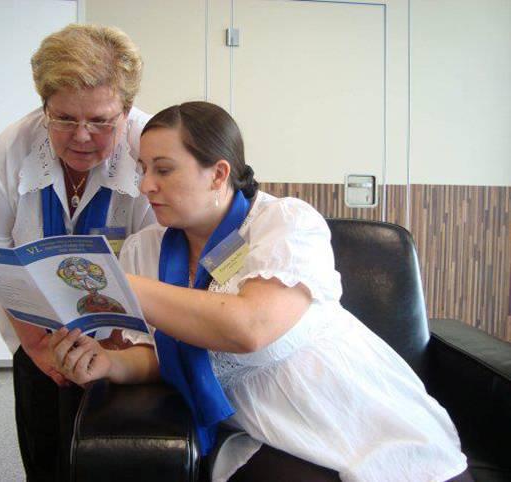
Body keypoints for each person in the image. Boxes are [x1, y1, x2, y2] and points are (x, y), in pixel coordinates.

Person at [49, 101, 470, 482]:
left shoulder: (284, 223)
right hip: (263, 427)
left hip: (348, 406)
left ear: (218, 174)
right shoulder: (145, 249)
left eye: (163, 169)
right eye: (143, 169)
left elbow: (249, 328)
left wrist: (122, 286)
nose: (145, 186)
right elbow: (163, 356)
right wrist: (109, 364)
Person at [0, 24, 155, 481]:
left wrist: (116, 351)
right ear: (45, 106)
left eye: (100, 120)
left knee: (110, 460)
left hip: (126, 334)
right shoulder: (10, 150)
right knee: (43, 452)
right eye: (63, 118)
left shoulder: (149, 148)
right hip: (34, 326)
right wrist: (37, 347)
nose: (81, 136)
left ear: (127, 110)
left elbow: (158, 260)